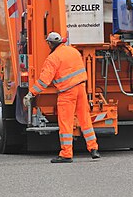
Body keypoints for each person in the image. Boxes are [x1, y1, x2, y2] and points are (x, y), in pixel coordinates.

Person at [24, 32, 100, 163]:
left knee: (66, 122)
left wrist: (31, 94)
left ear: (50, 43)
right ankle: (93, 149)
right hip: (81, 88)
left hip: (67, 92)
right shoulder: (73, 51)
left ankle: (66, 153)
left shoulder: (53, 58)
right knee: (85, 119)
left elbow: (44, 81)